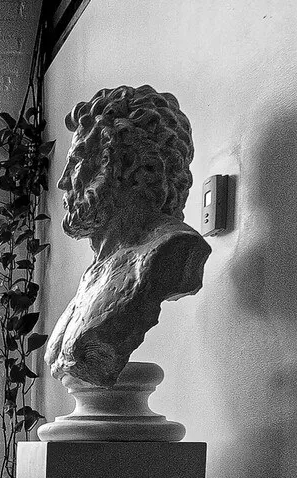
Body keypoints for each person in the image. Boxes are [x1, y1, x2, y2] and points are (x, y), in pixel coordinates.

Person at [46, 84, 211, 387]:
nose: (63, 182)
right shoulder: (95, 272)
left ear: (127, 164)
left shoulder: (169, 248)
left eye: (77, 161)